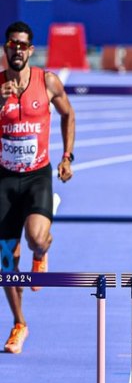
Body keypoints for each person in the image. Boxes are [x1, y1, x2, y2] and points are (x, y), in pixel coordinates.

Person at [0, 20, 75, 353]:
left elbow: (68, 114)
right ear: (5, 49)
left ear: (30, 50)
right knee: (4, 261)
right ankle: (19, 323)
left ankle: (42, 250)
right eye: (11, 44)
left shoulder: (47, 82)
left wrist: (67, 157)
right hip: (3, 179)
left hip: (36, 175)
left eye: (22, 45)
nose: (17, 50)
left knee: (35, 237)